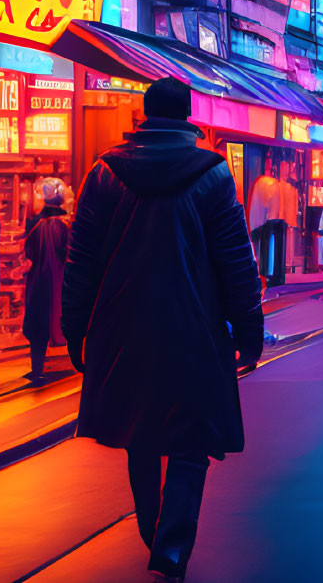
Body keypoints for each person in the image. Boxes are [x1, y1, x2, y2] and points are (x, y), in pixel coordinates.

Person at [60, 78, 263, 580]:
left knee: (140, 430)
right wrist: (249, 331)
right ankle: (172, 544)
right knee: (191, 439)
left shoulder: (104, 173)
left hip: (121, 326)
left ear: (143, 116)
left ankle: (151, 526)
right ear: (189, 117)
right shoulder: (214, 175)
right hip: (194, 327)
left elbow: (81, 259)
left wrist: (74, 327)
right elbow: (236, 262)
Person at [22, 177, 72, 383]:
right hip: (62, 284)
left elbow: (29, 253)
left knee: (38, 325)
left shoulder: (37, 227)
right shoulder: (65, 226)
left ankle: (37, 368)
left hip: (38, 283)